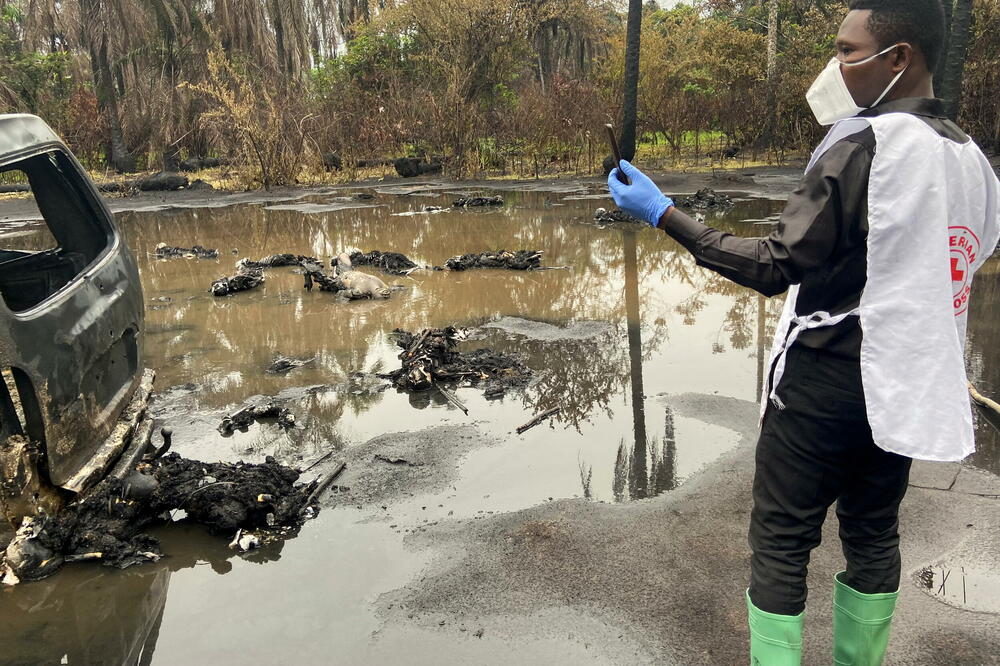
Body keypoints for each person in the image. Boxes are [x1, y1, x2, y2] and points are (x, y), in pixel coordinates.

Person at [607, 0, 1000, 664]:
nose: (835, 65)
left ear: (898, 57)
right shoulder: (970, 160)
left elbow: (775, 266)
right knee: (873, 535)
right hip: (901, 382)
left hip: (823, 381)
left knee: (784, 541)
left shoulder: (863, 143)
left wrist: (663, 212)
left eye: (848, 51)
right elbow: (954, 261)